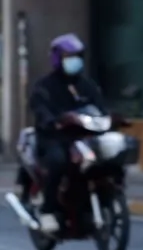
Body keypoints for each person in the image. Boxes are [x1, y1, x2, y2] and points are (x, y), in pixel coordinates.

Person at [28, 33, 108, 234]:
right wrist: (54, 121)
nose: (74, 60)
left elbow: (100, 106)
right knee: (58, 162)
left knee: (108, 158)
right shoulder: (44, 85)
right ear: (57, 58)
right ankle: (48, 211)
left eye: (77, 56)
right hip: (54, 138)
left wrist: (112, 118)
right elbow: (39, 108)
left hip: (83, 136)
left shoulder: (86, 84)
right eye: (68, 56)